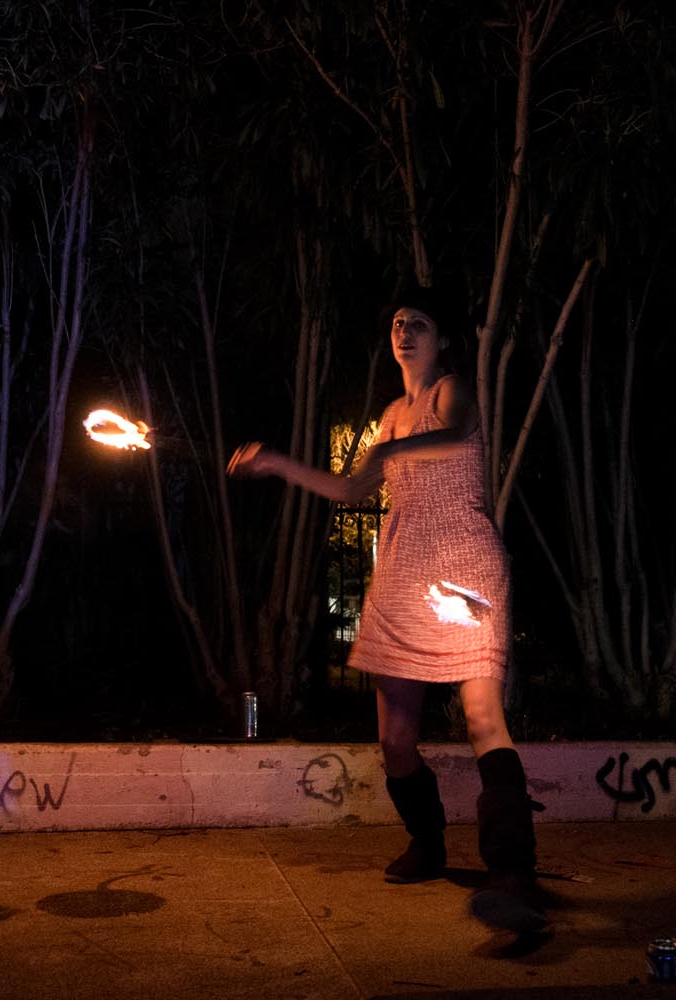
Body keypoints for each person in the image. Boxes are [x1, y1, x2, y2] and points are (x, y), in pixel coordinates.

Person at [227, 285, 545, 933]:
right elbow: (350, 488)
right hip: (402, 576)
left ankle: (512, 872)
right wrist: (276, 463)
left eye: (418, 323)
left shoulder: (450, 391)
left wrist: (393, 450)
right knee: (395, 741)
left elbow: (456, 435)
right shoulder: (391, 413)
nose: (404, 331)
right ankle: (427, 842)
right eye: (398, 323)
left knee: (483, 717)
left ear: (442, 339)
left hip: (464, 569)